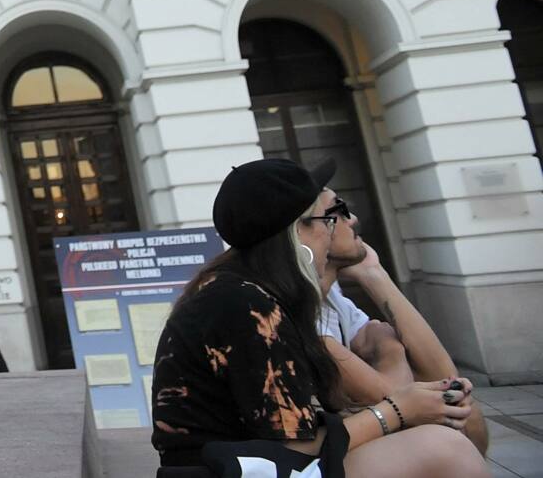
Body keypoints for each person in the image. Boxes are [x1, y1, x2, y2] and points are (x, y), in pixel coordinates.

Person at [151, 158, 482, 476]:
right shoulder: (248, 306)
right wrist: (396, 410)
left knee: (449, 434)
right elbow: (295, 446)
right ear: (297, 231)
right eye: (330, 218)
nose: (339, 226)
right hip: (235, 470)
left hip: (253, 466)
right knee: (445, 449)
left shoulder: (246, 293)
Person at [292, 179, 489, 457]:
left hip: (345, 439)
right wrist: (392, 350)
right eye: (338, 211)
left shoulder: (332, 297)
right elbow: (393, 398)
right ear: (302, 232)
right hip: (313, 457)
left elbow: (443, 374)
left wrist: (375, 275)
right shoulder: (295, 307)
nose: (353, 219)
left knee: (466, 413)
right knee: (444, 434)